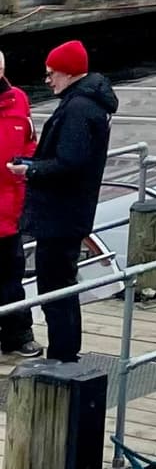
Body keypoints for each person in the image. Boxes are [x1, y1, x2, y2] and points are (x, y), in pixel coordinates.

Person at [12, 41, 117, 363]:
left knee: (56, 290)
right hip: (70, 213)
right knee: (62, 287)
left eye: (51, 73)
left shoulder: (77, 109)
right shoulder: (89, 104)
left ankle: (62, 357)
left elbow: (70, 163)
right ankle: (65, 353)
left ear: (68, 72)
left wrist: (30, 170)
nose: (47, 80)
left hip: (60, 216)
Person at [0, 58, 32, 357]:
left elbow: (30, 144)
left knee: (12, 277)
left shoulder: (18, 100)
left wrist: (26, 170)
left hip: (10, 209)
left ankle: (18, 336)